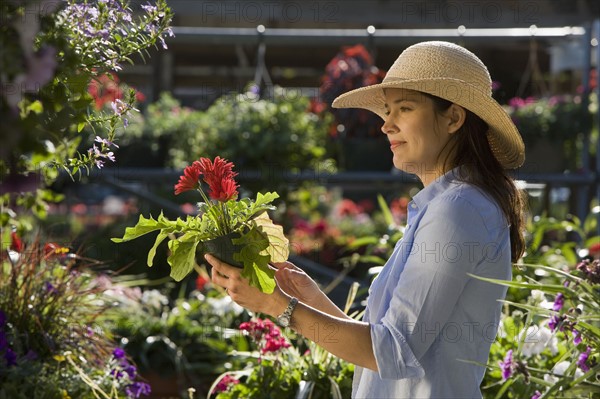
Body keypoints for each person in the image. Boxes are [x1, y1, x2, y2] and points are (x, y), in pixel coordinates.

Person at [206, 41, 527, 398]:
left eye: (404, 108)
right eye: (387, 110)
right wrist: (310, 298)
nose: (386, 125)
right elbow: (382, 347)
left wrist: (274, 305)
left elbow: (392, 352)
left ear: (453, 117)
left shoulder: (458, 208)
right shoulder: (447, 204)